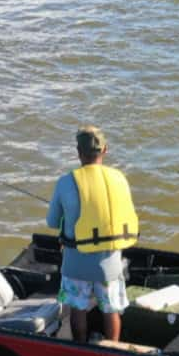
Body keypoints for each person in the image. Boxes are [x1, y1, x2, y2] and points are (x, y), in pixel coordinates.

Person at [46, 125, 139, 344]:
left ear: (78, 152)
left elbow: (52, 222)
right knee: (111, 310)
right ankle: (113, 348)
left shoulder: (65, 182)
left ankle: (81, 347)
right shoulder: (119, 179)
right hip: (110, 265)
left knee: (78, 310)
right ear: (105, 150)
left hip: (75, 265)